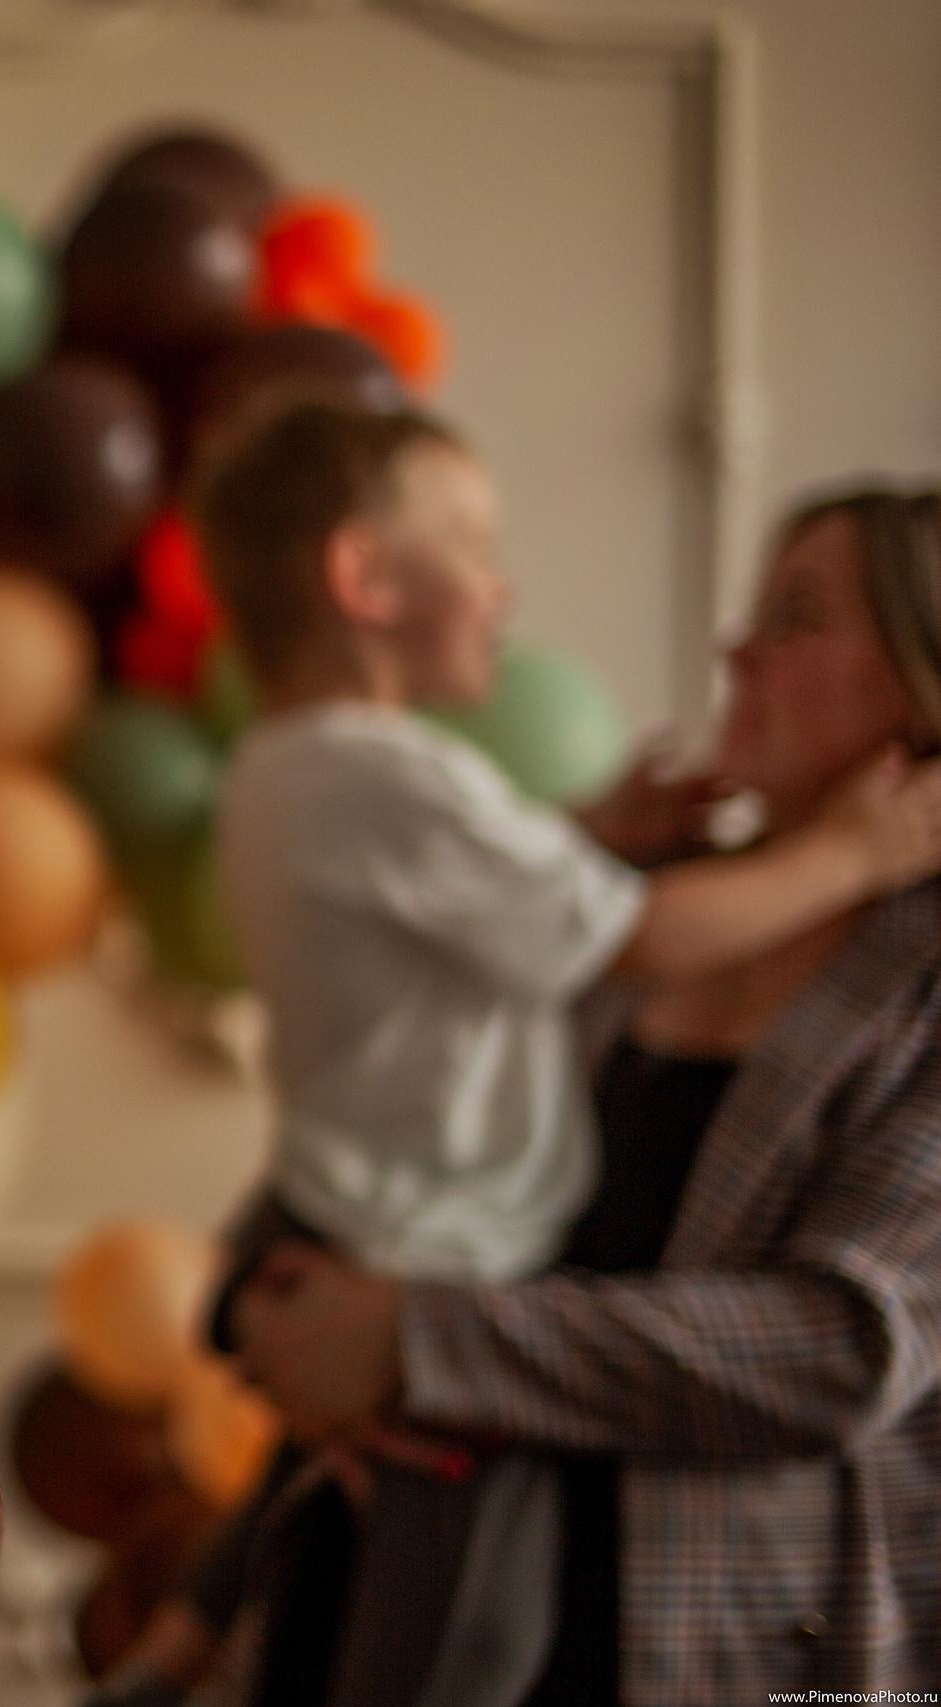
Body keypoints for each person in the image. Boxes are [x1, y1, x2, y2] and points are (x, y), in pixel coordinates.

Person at [85, 404, 941, 1707]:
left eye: (795, 617)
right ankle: (192, 1639)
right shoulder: (662, 906)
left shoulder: (918, 987)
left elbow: (838, 1350)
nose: (733, 648)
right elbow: (447, 1151)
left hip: (726, 1646)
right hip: (426, 1547)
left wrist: (425, 1340)